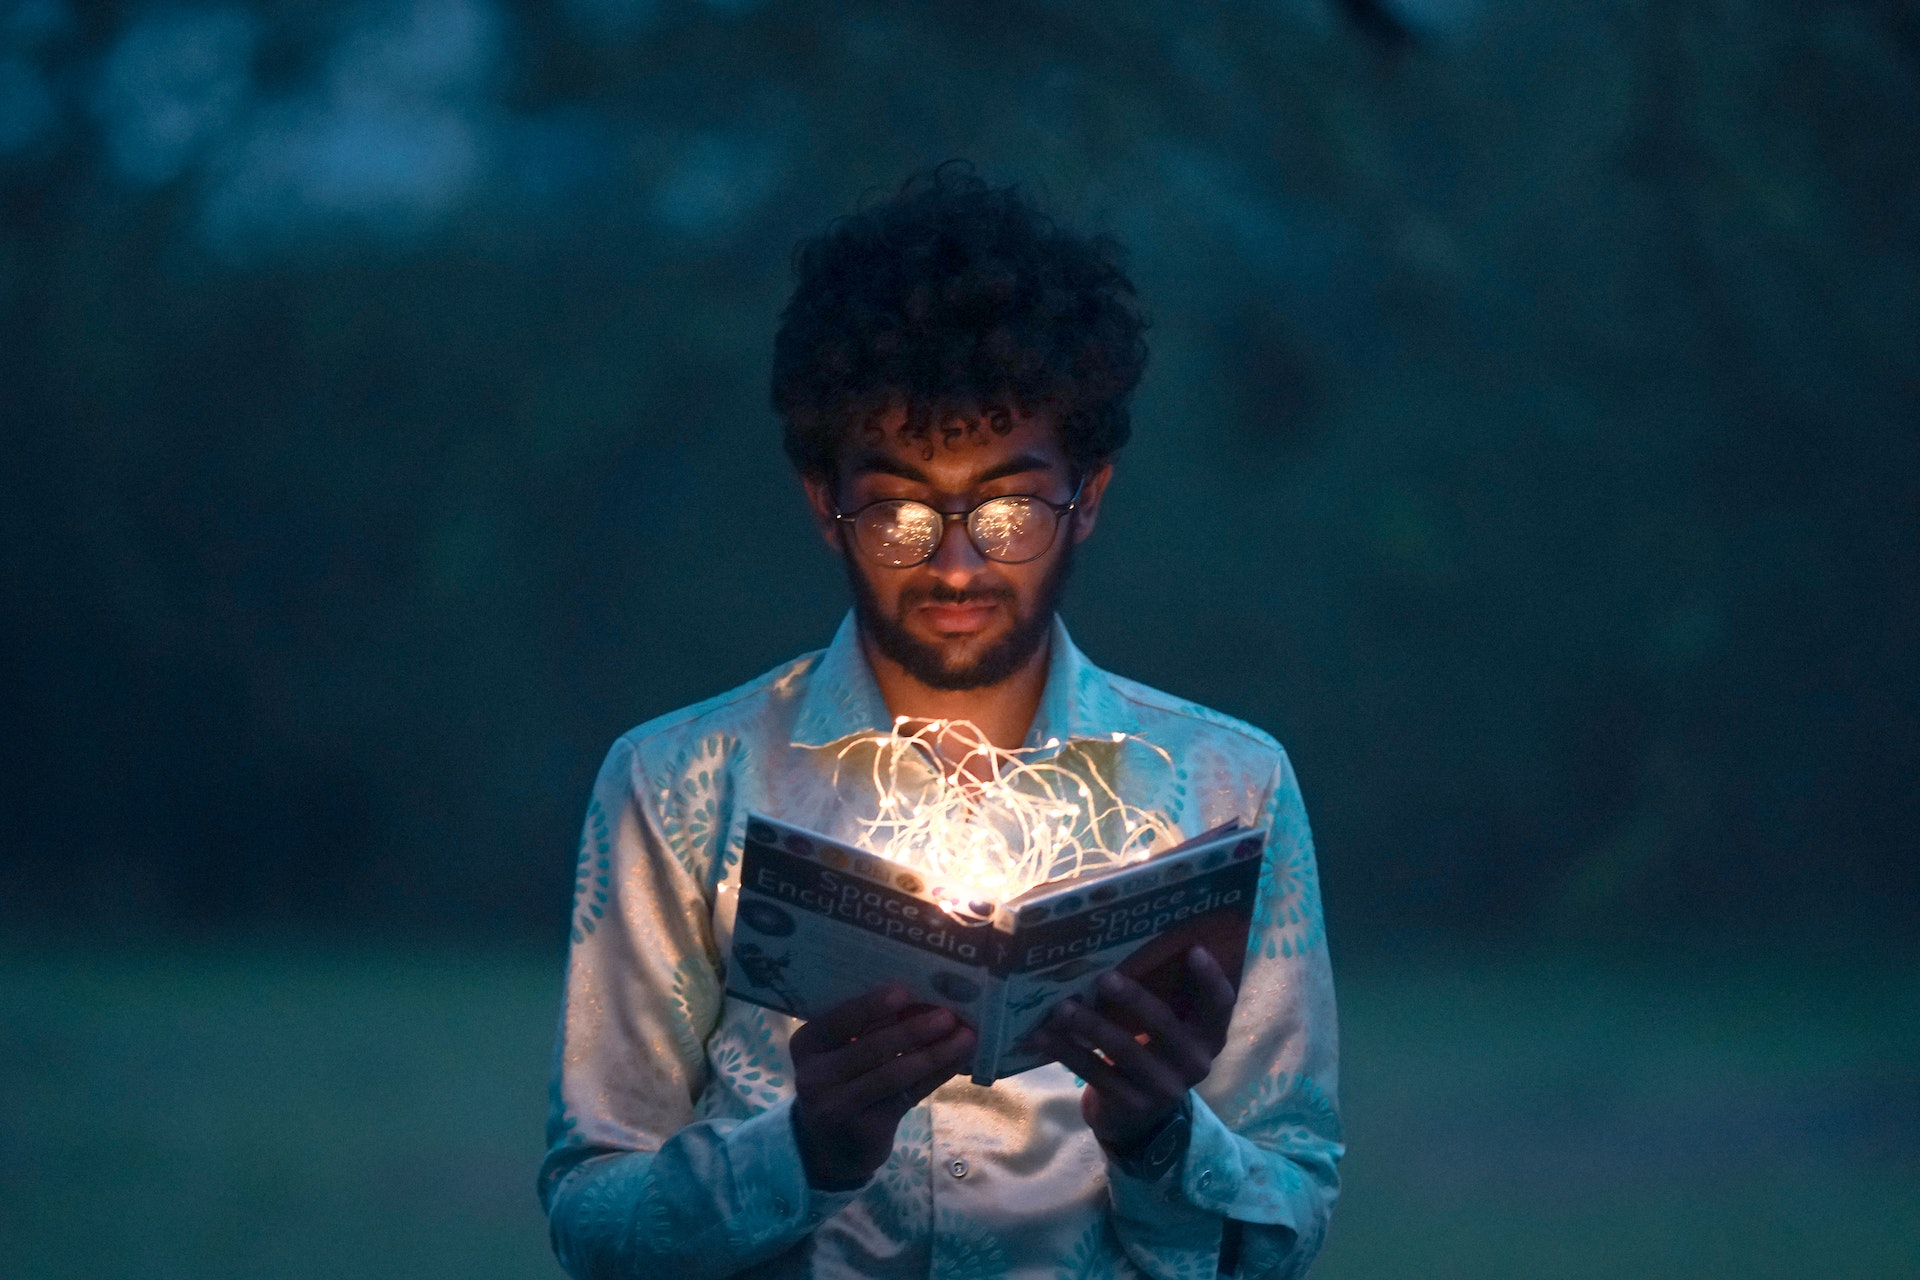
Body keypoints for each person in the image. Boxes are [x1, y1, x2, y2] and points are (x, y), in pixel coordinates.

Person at [538, 167, 1342, 1280]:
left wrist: (1160, 1136)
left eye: (1008, 507)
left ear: (1089, 496)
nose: (958, 562)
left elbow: (1288, 1221)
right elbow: (595, 1217)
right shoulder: (683, 782)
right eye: (903, 509)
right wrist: (808, 1149)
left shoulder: (1224, 790)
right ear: (826, 500)